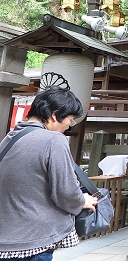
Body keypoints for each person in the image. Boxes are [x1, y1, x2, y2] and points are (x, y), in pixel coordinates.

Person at [0, 88, 98, 261]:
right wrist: (83, 200)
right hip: (35, 241)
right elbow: (65, 192)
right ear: (55, 115)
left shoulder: (9, 139)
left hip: (5, 239)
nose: (69, 125)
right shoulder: (54, 140)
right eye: (70, 119)